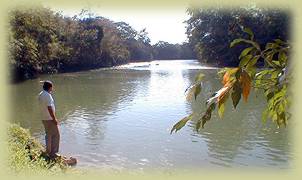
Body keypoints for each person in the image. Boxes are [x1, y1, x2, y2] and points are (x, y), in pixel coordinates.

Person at [38, 80, 60, 159]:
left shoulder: (41, 94)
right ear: (50, 87)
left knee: (48, 135)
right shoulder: (47, 95)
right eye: (52, 87)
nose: (52, 88)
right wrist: (54, 119)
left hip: (44, 118)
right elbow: (49, 108)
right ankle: (53, 154)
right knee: (56, 135)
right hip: (49, 119)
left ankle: (48, 151)